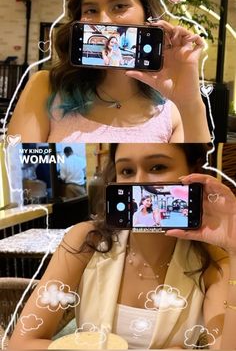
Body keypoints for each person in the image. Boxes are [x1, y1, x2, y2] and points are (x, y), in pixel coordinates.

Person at [8, 143, 236, 349]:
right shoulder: (86, 241)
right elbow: (22, 343)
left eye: (158, 167)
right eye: (127, 171)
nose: (139, 182)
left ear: (192, 173)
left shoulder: (212, 261)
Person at [8, 0, 210, 143]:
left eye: (119, 6)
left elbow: (192, 175)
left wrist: (190, 104)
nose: (104, 20)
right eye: (91, 10)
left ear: (146, 14)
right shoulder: (46, 87)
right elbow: (14, 170)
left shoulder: (172, 111)